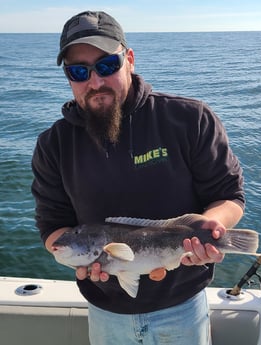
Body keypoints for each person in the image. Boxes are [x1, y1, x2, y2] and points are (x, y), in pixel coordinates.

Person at [31, 10, 245, 345]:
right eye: (78, 71)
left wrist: (210, 228)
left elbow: (229, 196)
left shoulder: (189, 118)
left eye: (106, 66)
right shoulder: (52, 145)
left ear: (129, 59)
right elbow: (52, 225)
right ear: (68, 76)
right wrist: (75, 256)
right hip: (105, 312)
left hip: (184, 307)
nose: (95, 82)